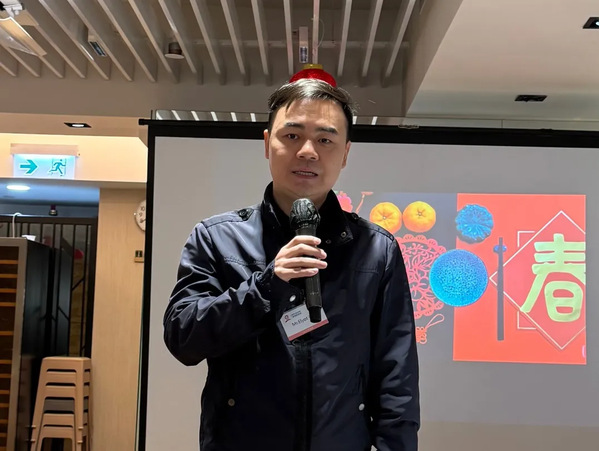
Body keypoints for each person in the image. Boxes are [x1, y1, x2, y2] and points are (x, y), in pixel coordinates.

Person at [163, 74, 420, 451]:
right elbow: (183, 339)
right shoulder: (216, 238)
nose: (308, 151)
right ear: (268, 144)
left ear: (345, 153)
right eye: (293, 135)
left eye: (325, 139)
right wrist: (265, 288)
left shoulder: (377, 250)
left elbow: (397, 376)